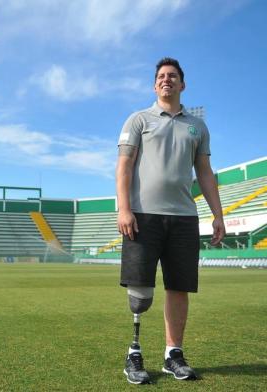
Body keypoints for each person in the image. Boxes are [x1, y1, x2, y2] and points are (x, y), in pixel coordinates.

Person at [116, 57, 225, 384]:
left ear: (182, 84)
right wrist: (124, 208)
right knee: (141, 292)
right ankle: (134, 353)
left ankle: (172, 354)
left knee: (179, 287)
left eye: (173, 76)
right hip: (143, 216)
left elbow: (204, 174)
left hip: (183, 218)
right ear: (155, 85)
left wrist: (218, 214)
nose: (167, 80)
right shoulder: (139, 120)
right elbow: (123, 167)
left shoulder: (197, 126)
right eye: (162, 76)